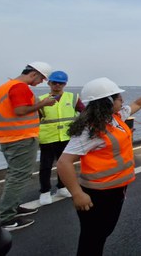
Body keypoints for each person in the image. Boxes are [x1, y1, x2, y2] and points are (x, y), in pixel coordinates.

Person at [57, 73, 141, 255]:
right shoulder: (90, 130)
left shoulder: (115, 117)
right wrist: (77, 194)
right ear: (107, 101)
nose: (122, 100)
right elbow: (63, 163)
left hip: (115, 190)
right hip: (98, 195)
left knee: (102, 233)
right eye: (118, 98)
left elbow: (138, 104)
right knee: (92, 239)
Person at [0, 61, 55, 231]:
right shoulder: (20, 87)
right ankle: (7, 218)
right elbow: (20, 111)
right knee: (19, 176)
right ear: (33, 74)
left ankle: (12, 206)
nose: (41, 82)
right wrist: (44, 103)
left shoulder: (6, 86)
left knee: (14, 174)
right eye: (41, 78)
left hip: (9, 137)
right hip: (20, 138)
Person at [37, 70, 85, 205]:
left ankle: (62, 187)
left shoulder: (72, 97)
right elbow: (35, 119)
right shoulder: (41, 100)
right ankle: (45, 191)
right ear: (49, 83)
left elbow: (84, 112)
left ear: (65, 84)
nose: (57, 85)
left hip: (66, 137)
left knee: (64, 164)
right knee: (45, 166)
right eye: (54, 83)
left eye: (61, 83)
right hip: (47, 137)